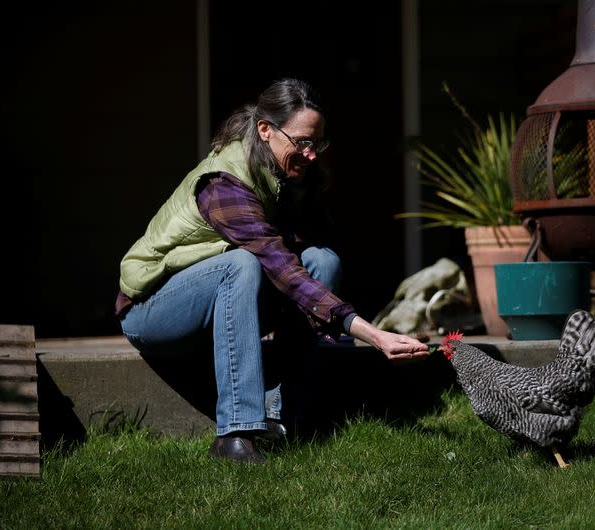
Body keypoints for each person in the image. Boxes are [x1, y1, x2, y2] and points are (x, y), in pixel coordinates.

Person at [115, 78, 430, 464]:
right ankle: (236, 432)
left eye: (317, 142)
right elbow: (277, 264)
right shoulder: (224, 181)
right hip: (153, 311)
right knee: (242, 263)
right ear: (265, 129)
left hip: (219, 305)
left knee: (323, 260)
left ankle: (283, 418)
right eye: (302, 141)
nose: (311, 154)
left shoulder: (291, 174)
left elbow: (302, 263)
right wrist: (369, 333)